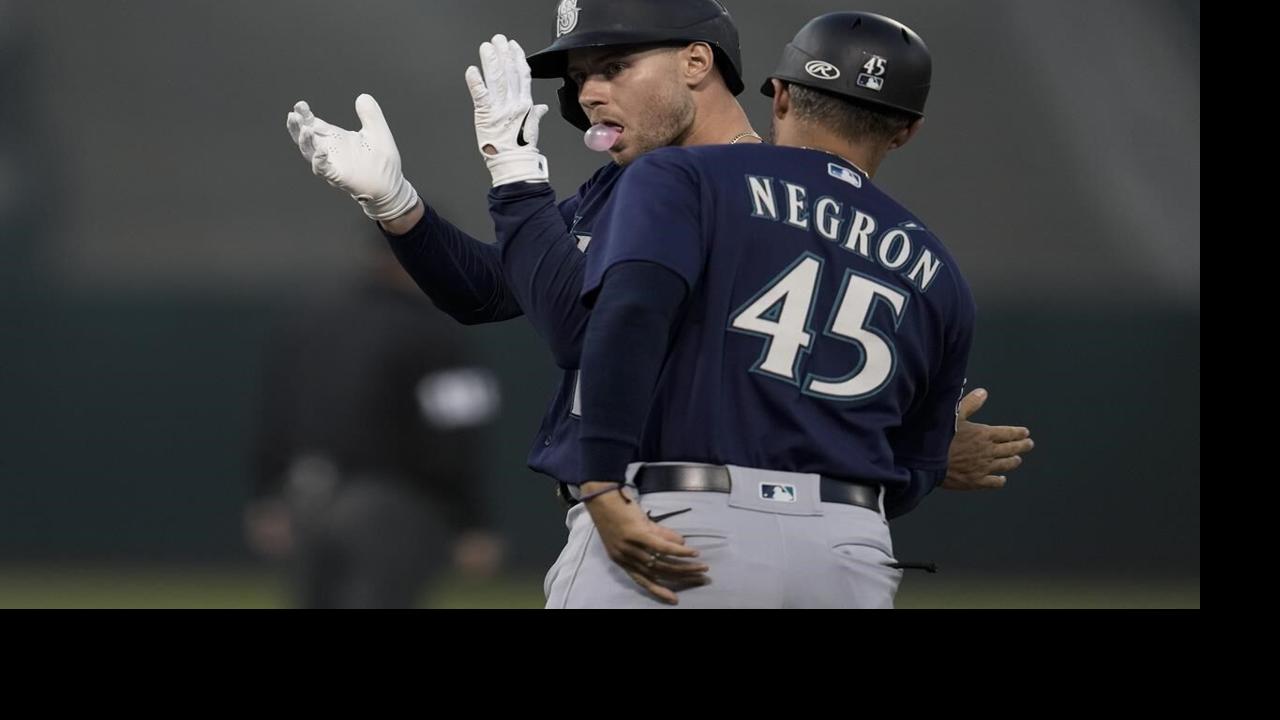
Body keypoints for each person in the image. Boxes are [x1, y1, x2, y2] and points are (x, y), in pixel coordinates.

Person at [282, 0, 1032, 604]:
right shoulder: (655, 180)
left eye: (613, 65)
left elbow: (589, 329)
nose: (587, 93)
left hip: (678, 517)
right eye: (578, 76)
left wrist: (515, 177)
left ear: (700, 63)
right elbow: (498, 289)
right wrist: (400, 207)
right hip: (837, 532)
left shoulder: (698, 186)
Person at [567, 11, 978, 608]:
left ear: (781, 94)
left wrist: (601, 481)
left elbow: (629, 315)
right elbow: (918, 463)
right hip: (849, 550)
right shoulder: (941, 271)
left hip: (684, 525)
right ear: (906, 130)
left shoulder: (684, 176)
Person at [245, 237, 504, 608]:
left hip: (305, 497)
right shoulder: (435, 330)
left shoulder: (309, 320)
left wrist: (266, 494)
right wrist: (473, 520)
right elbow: (457, 436)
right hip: (389, 503)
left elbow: (276, 411)